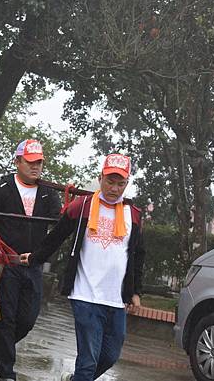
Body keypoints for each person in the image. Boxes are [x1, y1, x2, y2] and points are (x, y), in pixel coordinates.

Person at [20, 154, 145, 381]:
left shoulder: (133, 215)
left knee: (109, 356)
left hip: (116, 300)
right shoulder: (82, 207)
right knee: (88, 362)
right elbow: (56, 237)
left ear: (126, 184)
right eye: (110, 181)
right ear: (100, 178)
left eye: (120, 184)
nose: (114, 188)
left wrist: (135, 291)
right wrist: (35, 258)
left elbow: (138, 255)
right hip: (85, 294)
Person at [0, 139, 61, 381]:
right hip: (7, 264)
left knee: (27, 320)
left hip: (32, 265)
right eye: (31, 162)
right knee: (7, 318)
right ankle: (7, 373)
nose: (36, 167)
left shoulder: (48, 192)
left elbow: (58, 226)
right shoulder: (1, 187)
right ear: (17, 161)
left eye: (40, 163)